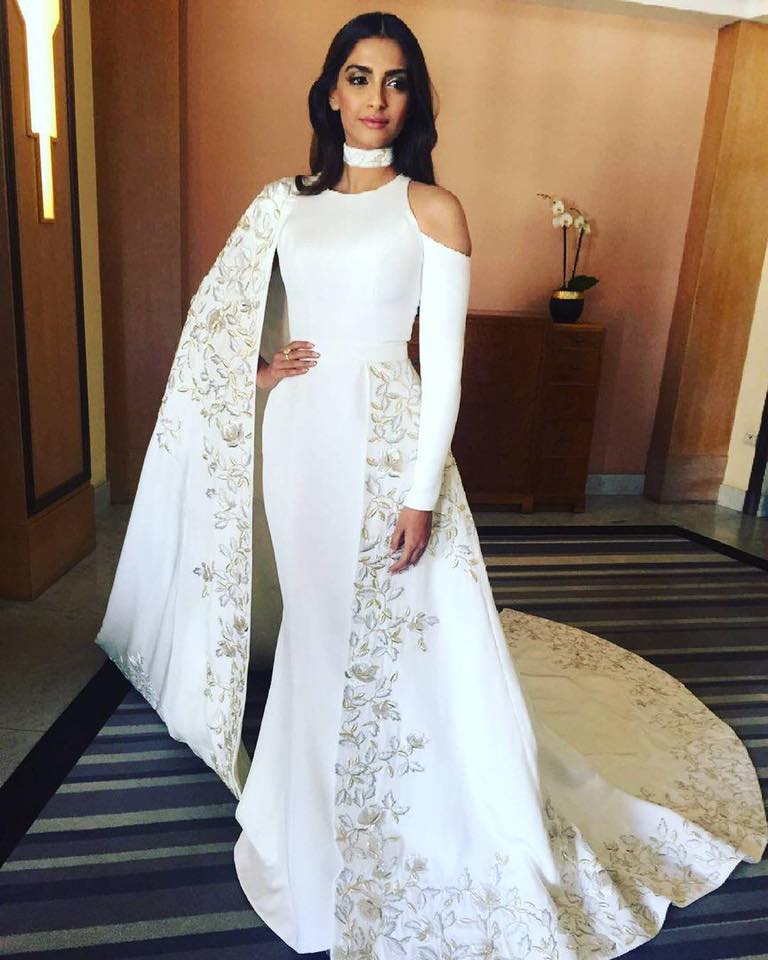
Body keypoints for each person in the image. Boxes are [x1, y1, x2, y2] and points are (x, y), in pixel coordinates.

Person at [96, 11, 767, 960]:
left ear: (413, 99)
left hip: (386, 443)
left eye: (396, 80)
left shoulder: (432, 208)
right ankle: (309, 799)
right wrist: (260, 374)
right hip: (299, 439)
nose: (376, 98)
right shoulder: (282, 204)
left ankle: (409, 797)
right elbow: (217, 322)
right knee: (319, 621)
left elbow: (442, 369)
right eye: (359, 77)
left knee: (394, 622)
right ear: (331, 93)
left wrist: (420, 493)